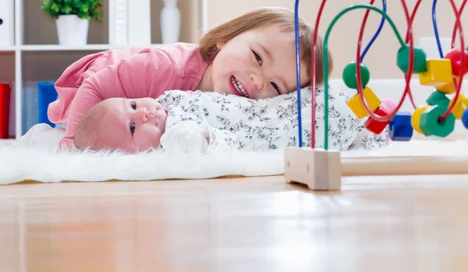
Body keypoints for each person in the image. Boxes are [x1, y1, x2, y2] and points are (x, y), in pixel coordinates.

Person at [47, 7, 333, 149]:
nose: (258, 81)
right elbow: (96, 85)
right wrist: (72, 148)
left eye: (275, 85)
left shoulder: (237, 106)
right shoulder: (166, 68)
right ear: (224, 39)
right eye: (257, 58)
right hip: (98, 87)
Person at [72, 86, 390, 154]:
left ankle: (351, 104)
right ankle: (363, 123)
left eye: (131, 104)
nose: (142, 112)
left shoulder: (170, 100)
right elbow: (221, 145)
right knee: (305, 132)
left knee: (308, 100)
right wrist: (191, 138)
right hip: (262, 134)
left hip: (263, 110)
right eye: (131, 127)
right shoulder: (175, 140)